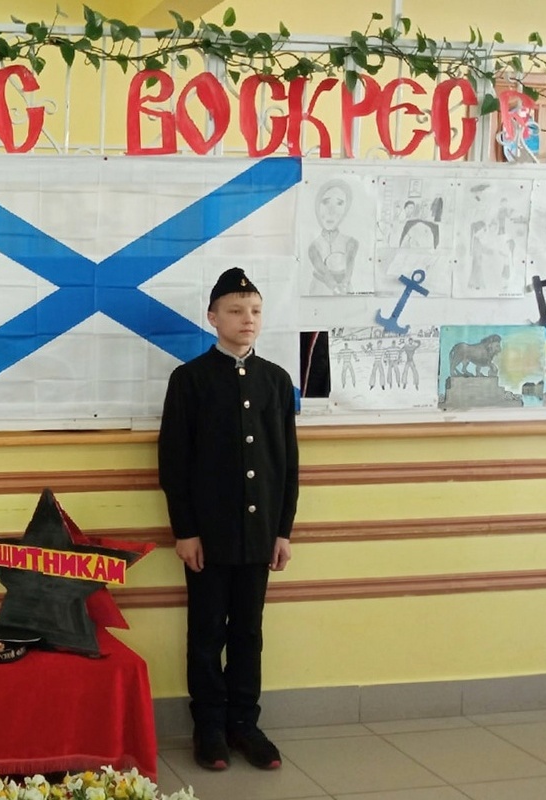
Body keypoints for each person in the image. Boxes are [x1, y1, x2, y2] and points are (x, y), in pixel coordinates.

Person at [157, 267, 299, 772]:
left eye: (255, 310)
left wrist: (282, 531)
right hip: (209, 536)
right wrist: (185, 531)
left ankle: (244, 724)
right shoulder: (190, 380)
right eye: (236, 310)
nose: (248, 319)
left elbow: (287, 464)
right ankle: (210, 727)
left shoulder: (276, 381)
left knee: (248, 633)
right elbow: (174, 462)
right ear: (213, 317)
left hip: (259, 536)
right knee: (206, 633)